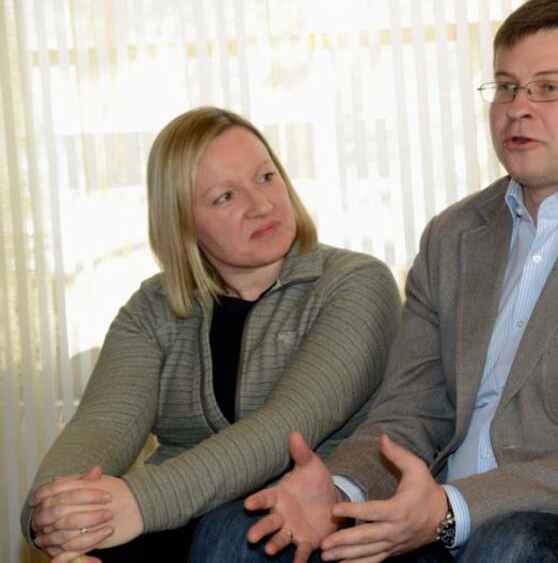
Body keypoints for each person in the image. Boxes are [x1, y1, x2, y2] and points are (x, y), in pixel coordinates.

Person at [189, 0, 558, 563]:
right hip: (435, 513)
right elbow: (410, 409)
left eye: (549, 87)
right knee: (242, 530)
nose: (517, 108)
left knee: (509, 544)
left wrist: (454, 509)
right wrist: (340, 488)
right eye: (505, 86)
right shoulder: (453, 235)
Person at [22, 106, 402, 562]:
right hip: (184, 520)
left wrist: (139, 502)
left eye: (265, 177)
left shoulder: (355, 283)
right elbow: (101, 424)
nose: (261, 205)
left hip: (310, 517)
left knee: (236, 535)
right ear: (183, 222)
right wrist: (54, 512)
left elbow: (283, 427)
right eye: (225, 197)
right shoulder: (153, 309)